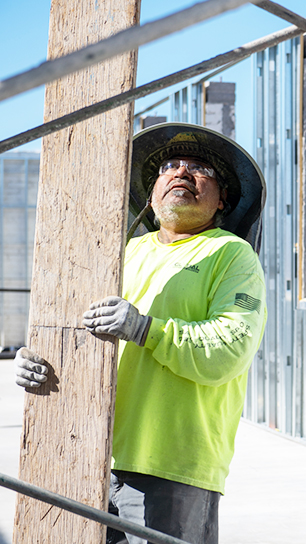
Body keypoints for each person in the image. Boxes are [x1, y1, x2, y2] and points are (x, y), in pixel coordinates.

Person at [14, 123, 268, 544]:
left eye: (200, 168)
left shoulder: (230, 254)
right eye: (170, 165)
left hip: (170, 465)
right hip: (84, 453)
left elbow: (230, 348)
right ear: (151, 196)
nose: (182, 172)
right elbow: (73, 330)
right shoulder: (119, 255)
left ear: (223, 199)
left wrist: (144, 328)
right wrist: (39, 360)